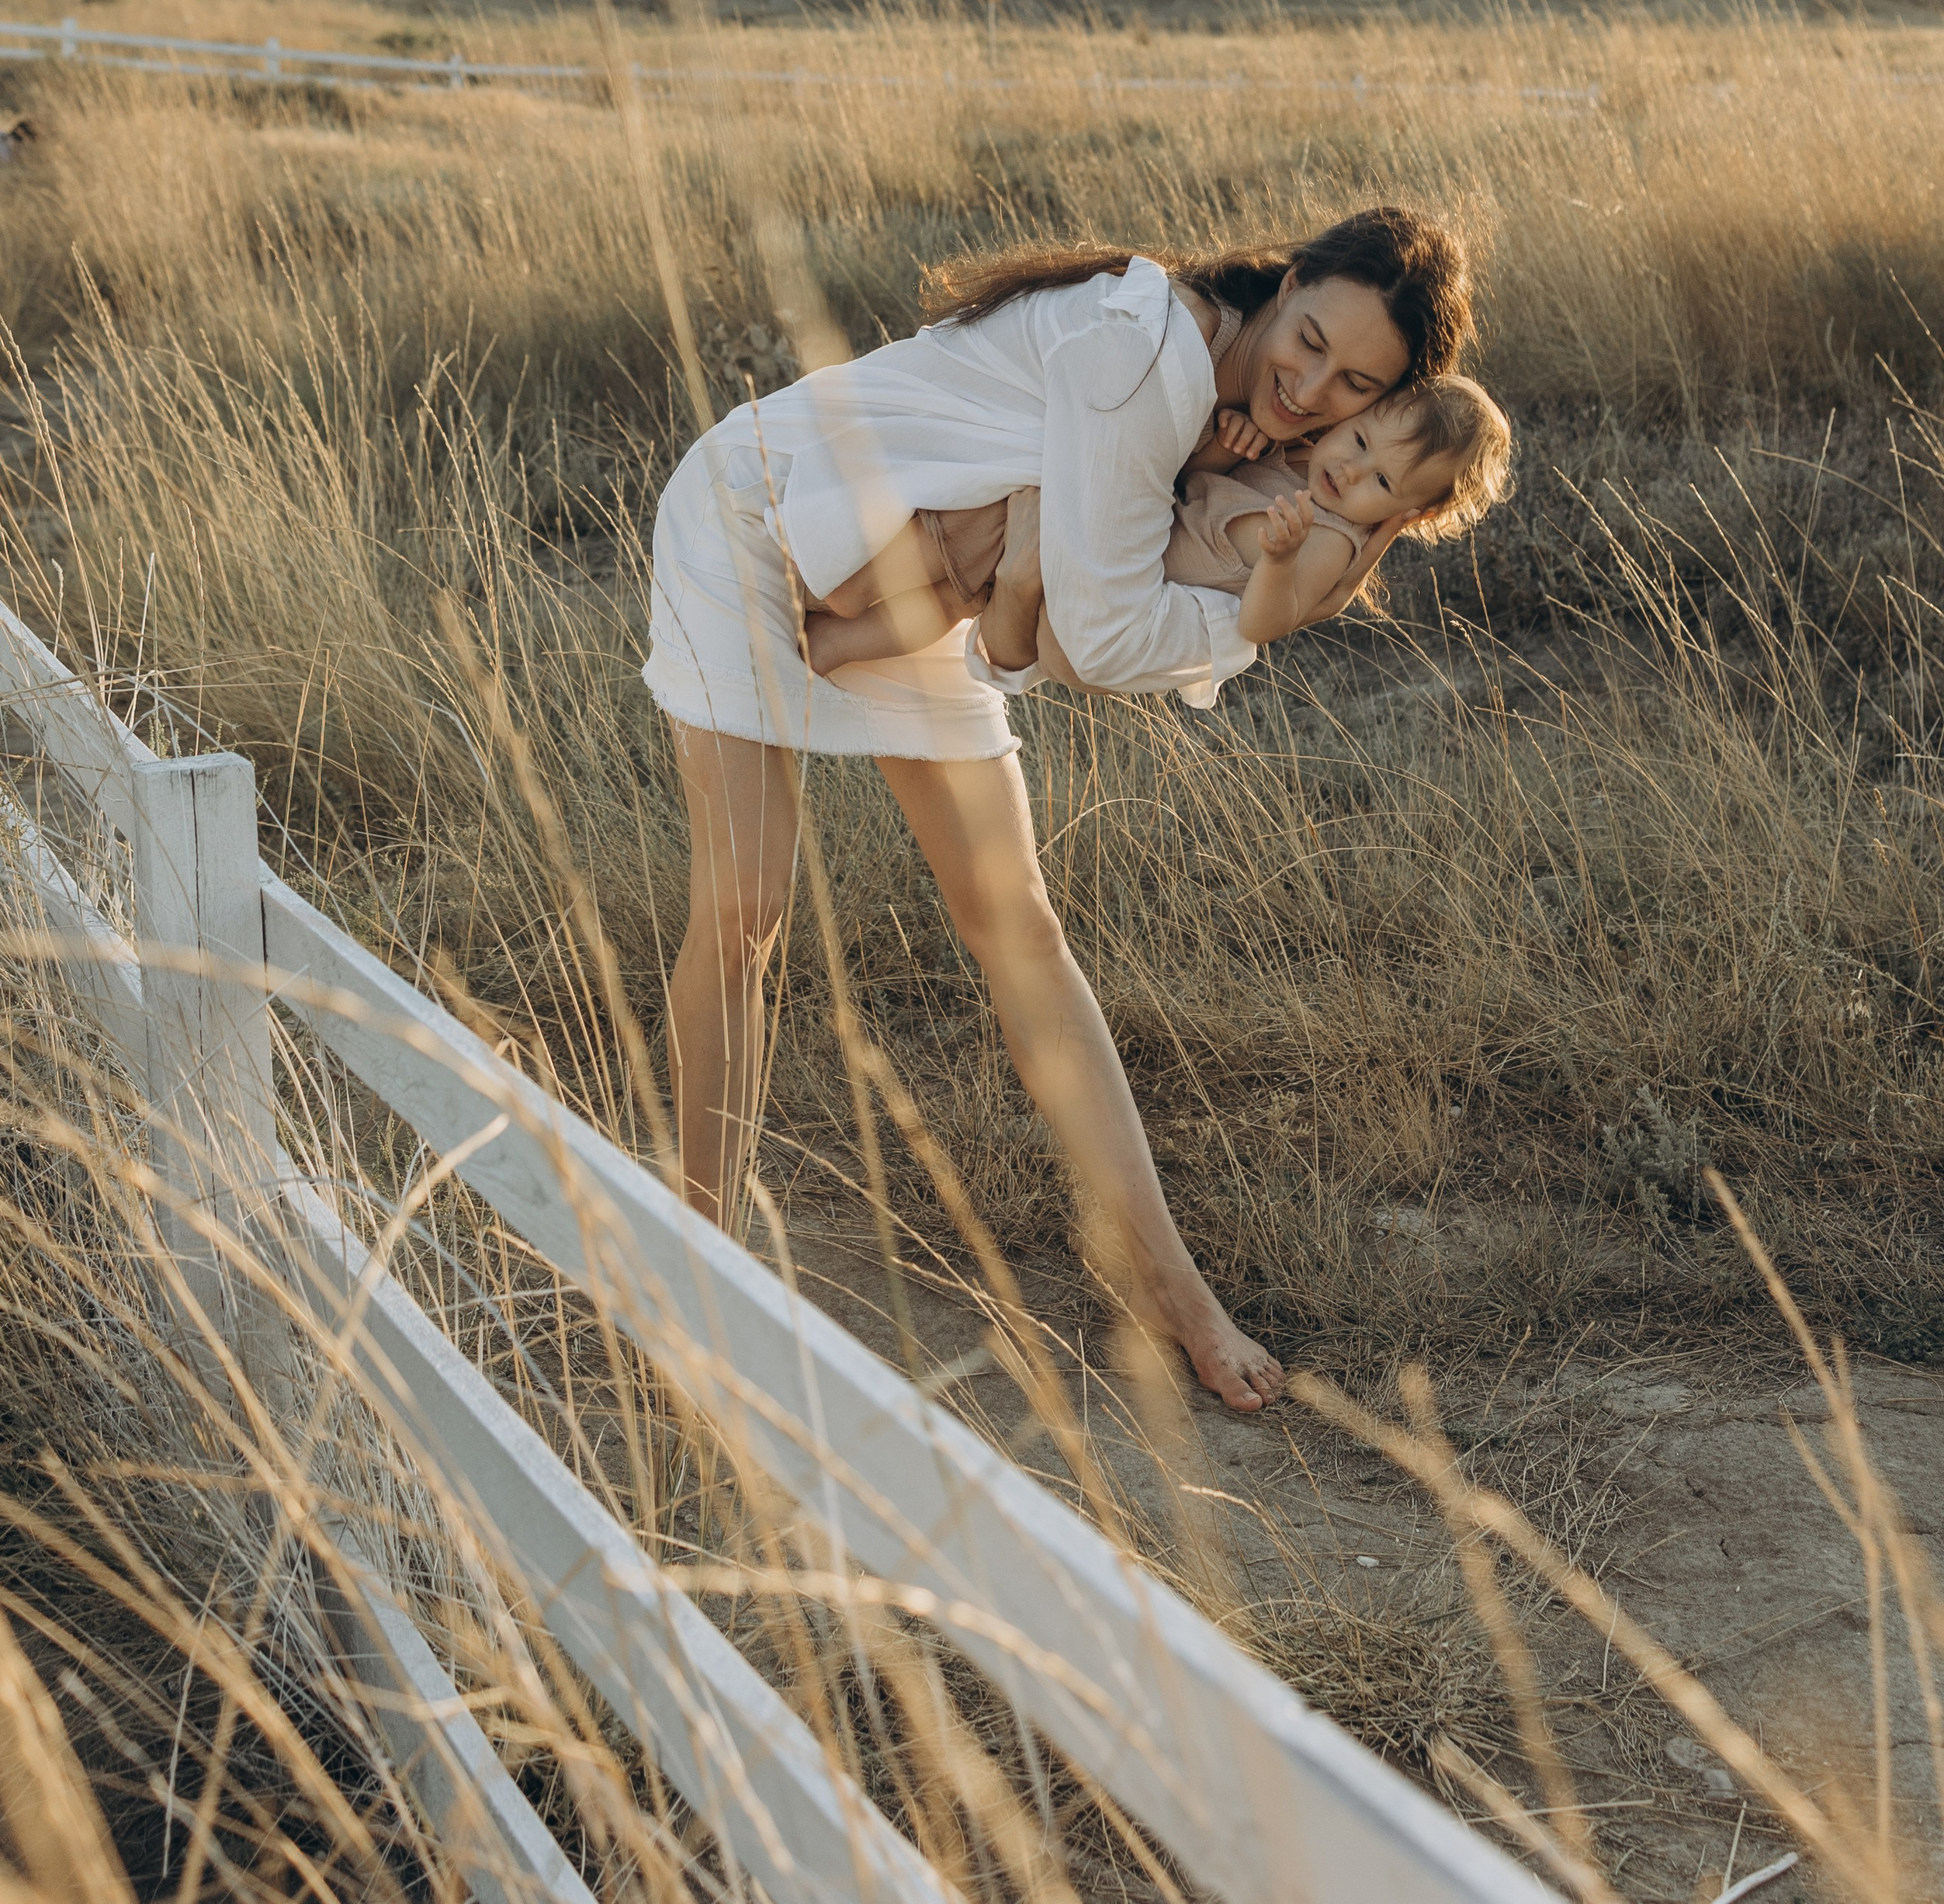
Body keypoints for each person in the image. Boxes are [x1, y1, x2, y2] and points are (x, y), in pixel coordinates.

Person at [643, 206, 1473, 1412]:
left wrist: (1048, 589)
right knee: (746, 910)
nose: (1311, 389)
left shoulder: (1247, 426)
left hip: (924, 568)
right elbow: (1104, 634)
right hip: (762, 521)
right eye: (1306, 341)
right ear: (1287, 281)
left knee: (1019, 927)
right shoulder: (1145, 357)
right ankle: (693, 1275)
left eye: (1356, 385)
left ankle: (1182, 1303)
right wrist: (1147, 619)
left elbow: (1093, 608)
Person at [801, 374, 1514, 685]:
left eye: (1383, 483)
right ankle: (834, 624)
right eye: (1358, 441)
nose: (1352, 472)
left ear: (1411, 515)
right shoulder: (1307, 460)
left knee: (969, 575)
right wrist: (1229, 441)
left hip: (1117, 577)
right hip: (1127, 532)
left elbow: (1270, 622)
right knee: (967, 585)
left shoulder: (1329, 540)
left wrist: (1279, 557)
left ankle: (842, 618)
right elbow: (1191, 474)